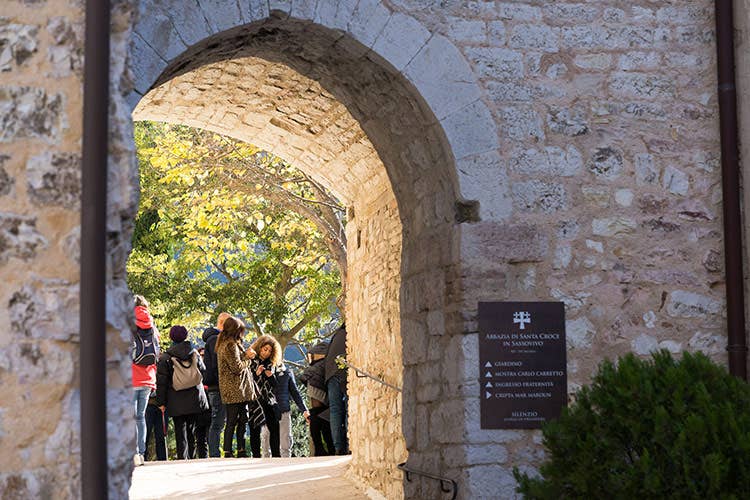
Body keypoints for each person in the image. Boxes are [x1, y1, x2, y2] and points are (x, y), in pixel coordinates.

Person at [156, 325, 209, 460]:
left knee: (180, 431)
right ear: (185, 336)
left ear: (171, 337)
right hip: (194, 397)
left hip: (176, 398)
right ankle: (192, 457)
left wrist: (161, 402)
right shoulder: (194, 353)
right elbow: (202, 371)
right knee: (192, 430)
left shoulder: (166, 357)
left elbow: (161, 382)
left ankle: (182, 459)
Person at [216, 316, 256, 458]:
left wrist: (244, 356)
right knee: (235, 420)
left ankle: (237, 449)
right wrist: (248, 358)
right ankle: (231, 450)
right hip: (235, 389)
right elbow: (237, 367)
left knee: (237, 420)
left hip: (234, 389)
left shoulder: (223, 343)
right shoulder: (230, 345)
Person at [131, 295, 159, 467]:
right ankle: (141, 454)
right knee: (140, 417)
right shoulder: (152, 327)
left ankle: (133, 453)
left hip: (131, 376)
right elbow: (156, 354)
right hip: (148, 379)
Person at [260, 362, 309, 457]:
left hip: (284, 410)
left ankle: (285, 467)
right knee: (266, 444)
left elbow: (295, 393)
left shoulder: (286, 372)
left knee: (285, 443)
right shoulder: (262, 371)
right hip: (267, 412)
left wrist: (304, 410)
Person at [248, 335, 282, 458]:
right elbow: (248, 382)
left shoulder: (271, 364)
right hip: (255, 399)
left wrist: (270, 376)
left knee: (274, 427)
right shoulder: (251, 361)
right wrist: (257, 374)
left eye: (269, 351)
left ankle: (276, 455)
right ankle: (256, 456)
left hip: (268, 399)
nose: (266, 353)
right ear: (260, 347)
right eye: (265, 349)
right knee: (254, 428)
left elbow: (275, 385)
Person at [201, 312, 230, 457]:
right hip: (218, 386)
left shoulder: (211, 339)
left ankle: (214, 452)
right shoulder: (215, 340)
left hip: (214, 386)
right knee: (218, 422)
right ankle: (214, 454)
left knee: (217, 421)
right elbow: (215, 365)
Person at [299, 341, 333, 456]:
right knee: (324, 420)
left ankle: (320, 449)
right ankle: (329, 447)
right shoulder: (326, 364)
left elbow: (304, 377)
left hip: (316, 397)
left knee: (317, 419)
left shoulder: (319, 365)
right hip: (323, 397)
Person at [325, 323, 349, 455]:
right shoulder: (350, 333)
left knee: (335, 410)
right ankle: (350, 443)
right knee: (348, 408)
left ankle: (338, 447)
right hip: (343, 372)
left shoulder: (336, 335)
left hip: (330, 375)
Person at [143, 388, 167, 461]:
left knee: (161, 435)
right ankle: (143, 458)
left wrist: (163, 403)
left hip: (162, 407)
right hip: (147, 405)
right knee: (145, 435)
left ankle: (162, 459)